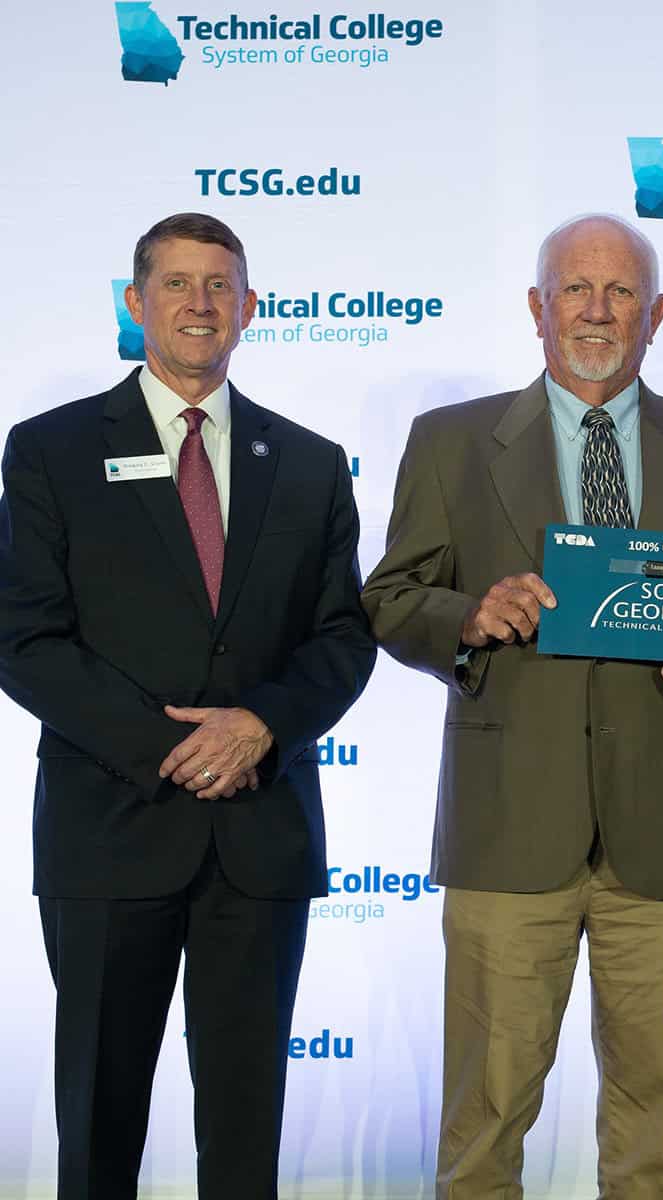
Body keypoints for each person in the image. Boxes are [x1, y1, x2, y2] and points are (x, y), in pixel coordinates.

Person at [361, 213, 663, 1199]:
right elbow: (390, 599)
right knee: (485, 1123)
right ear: (536, 308)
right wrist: (469, 615)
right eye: (575, 290)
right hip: (510, 830)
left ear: (657, 315)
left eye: (620, 294)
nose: (597, 313)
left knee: (652, 1126)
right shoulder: (450, 442)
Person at [0, 212, 376, 1200]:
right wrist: (168, 748)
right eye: (176, 284)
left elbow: (342, 638)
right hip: (107, 831)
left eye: (220, 285)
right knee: (98, 1117)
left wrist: (259, 727)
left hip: (260, 838)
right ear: (135, 304)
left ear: (249, 309)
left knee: (246, 1129)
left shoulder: (308, 461)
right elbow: (25, 637)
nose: (200, 304)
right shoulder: (52, 451)